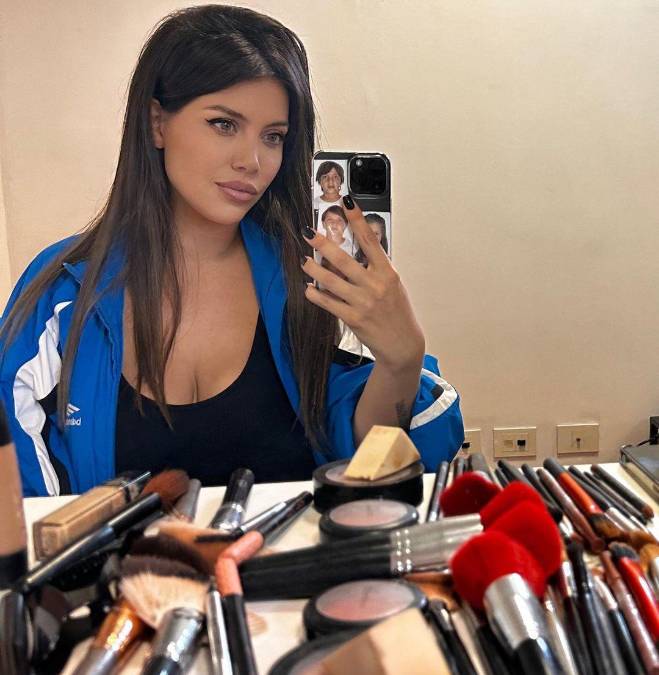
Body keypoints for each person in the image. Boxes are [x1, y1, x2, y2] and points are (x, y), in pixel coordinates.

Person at [0, 5, 464, 497]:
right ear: (157, 123)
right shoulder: (65, 292)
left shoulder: (309, 282)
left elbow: (372, 466)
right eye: (224, 124)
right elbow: (24, 501)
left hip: (297, 549)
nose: (252, 161)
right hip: (121, 552)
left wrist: (400, 361)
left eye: (273, 136)